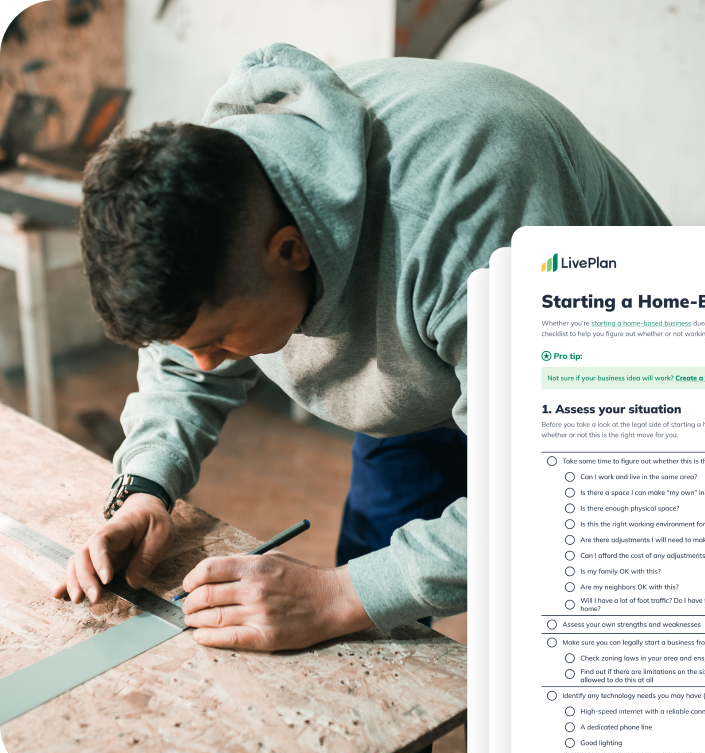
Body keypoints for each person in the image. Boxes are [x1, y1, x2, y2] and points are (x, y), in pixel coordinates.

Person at [55, 44, 669, 650]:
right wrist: (144, 488)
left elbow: (551, 487)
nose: (208, 363)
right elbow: (180, 355)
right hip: (430, 364)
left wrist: (338, 596)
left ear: (292, 251)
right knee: (377, 595)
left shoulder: (465, 216)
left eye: (219, 340)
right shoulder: (224, 187)